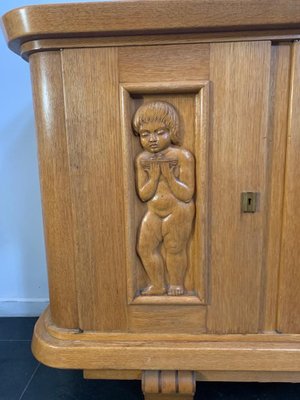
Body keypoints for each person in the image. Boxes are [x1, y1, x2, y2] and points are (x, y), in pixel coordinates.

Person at [133, 101, 195, 296]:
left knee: (174, 248)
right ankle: (158, 284)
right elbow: (143, 195)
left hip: (178, 209)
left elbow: (187, 194)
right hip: (154, 210)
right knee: (144, 247)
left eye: (160, 132)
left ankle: (176, 284)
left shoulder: (182, 156)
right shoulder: (142, 159)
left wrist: (169, 177)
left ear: (172, 131)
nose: (152, 139)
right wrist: (153, 177)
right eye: (145, 134)